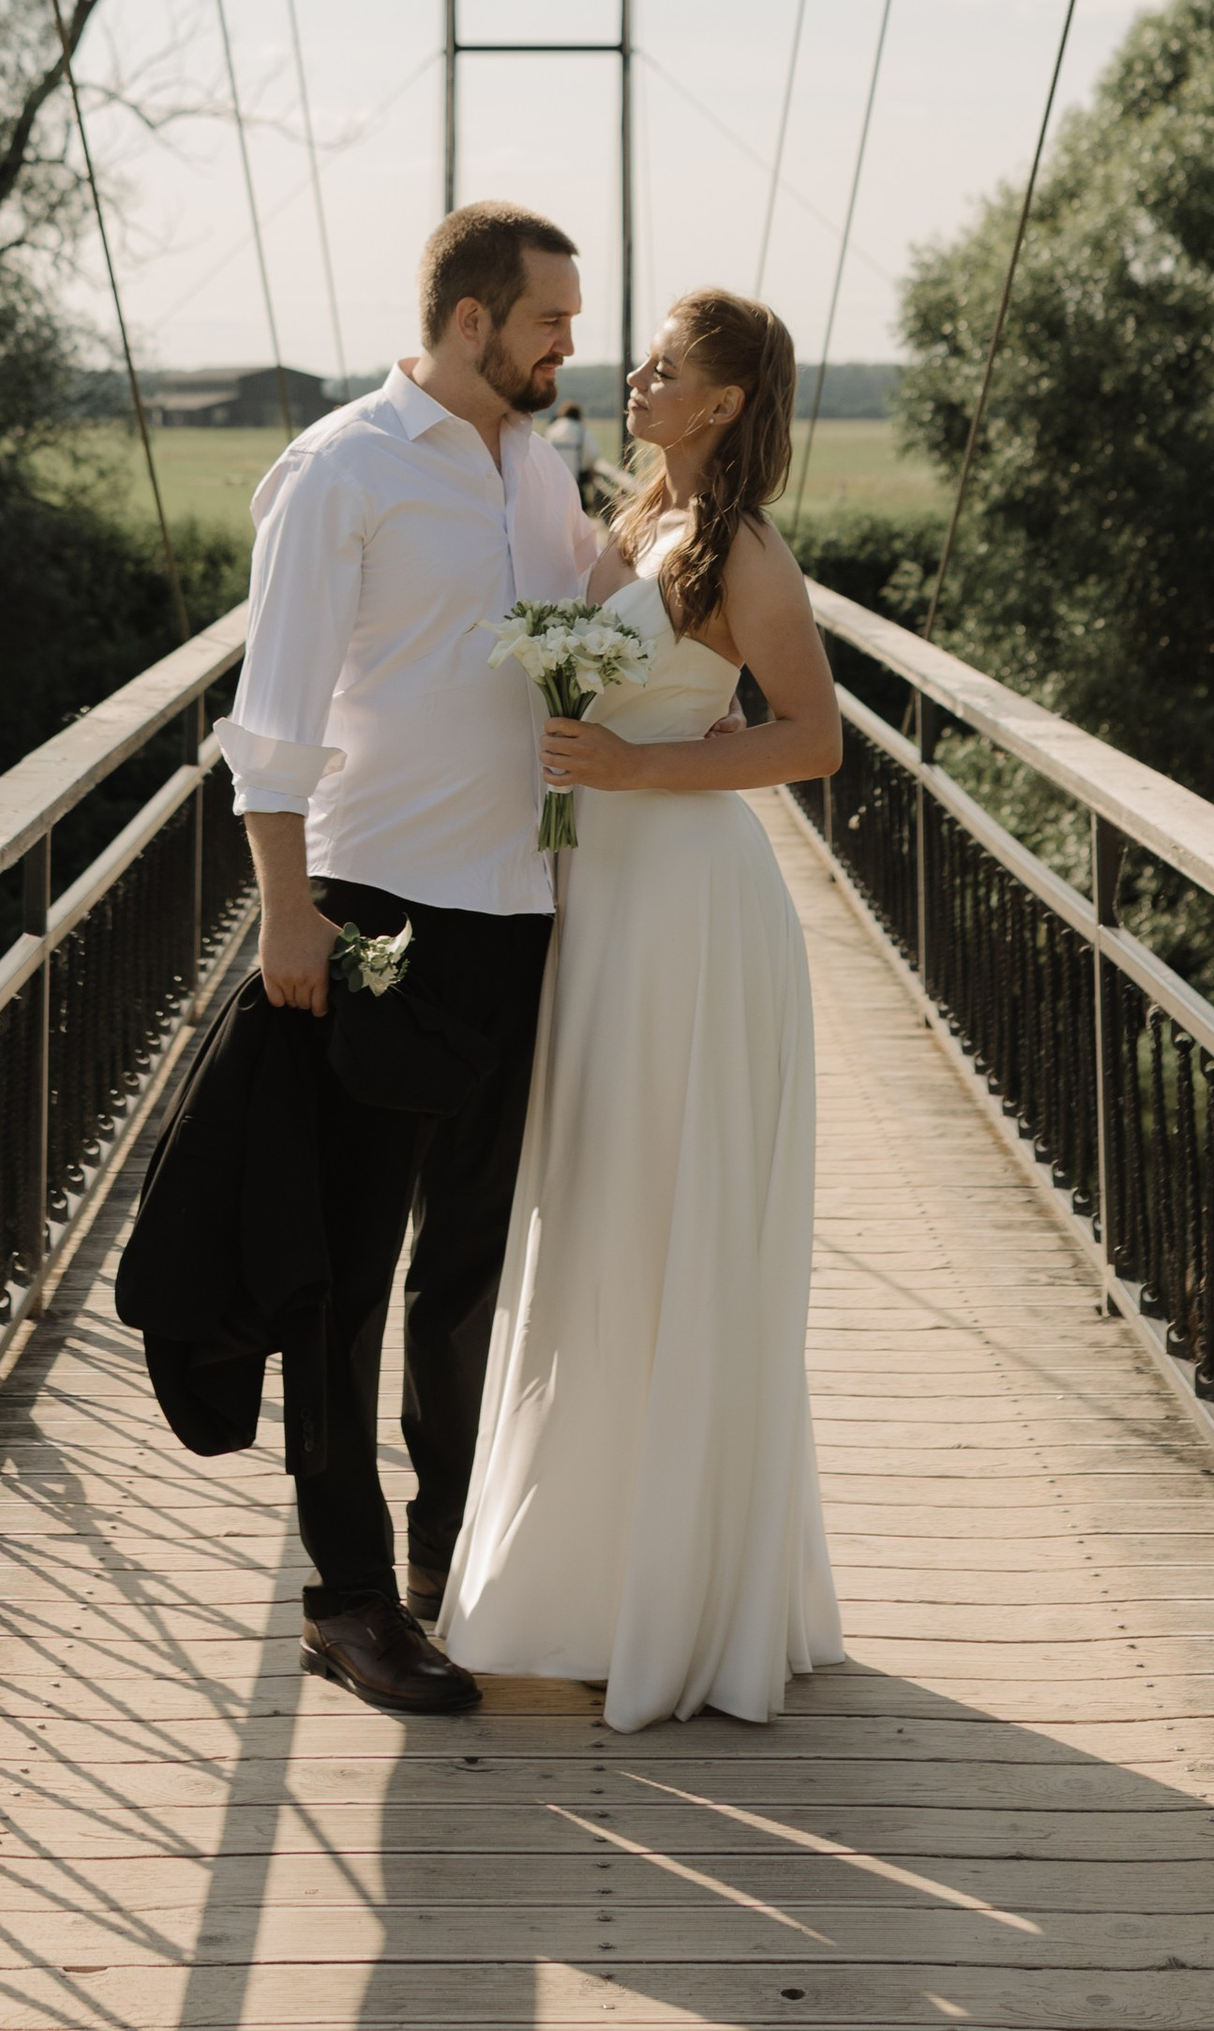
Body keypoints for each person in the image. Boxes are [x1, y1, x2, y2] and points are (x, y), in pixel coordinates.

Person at [441, 287, 846, 1731]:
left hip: (687, 912)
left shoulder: (743, 549)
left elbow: (816, 739)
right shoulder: (636, 522)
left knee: (666, 1216)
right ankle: (599, 1576)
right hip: (596, 898)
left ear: (723, 403)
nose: (638, 376)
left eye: (667, 367)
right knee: (596, 1215)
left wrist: (635, 770)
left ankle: (680, 1599)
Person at [214, 201, 599, 1716]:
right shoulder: (344, 470)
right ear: (470, 320)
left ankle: (450, 1555)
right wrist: (287, 911)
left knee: (469, 1266)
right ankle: (348, 1599)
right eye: (550, 320)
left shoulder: (540, 468)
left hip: (521, 914)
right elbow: (272, 714)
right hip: (377, 914)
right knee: (348, 1271)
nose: (568, 346)